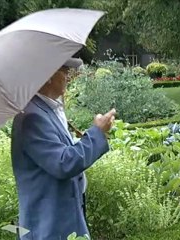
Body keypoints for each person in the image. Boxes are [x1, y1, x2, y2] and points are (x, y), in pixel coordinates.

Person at [11, 58, 115, 240]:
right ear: (48, 75)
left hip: (61, 219)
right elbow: (63, 163)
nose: (68, 76)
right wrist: (96, 133)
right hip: (48, 225)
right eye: (64, 70)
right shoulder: (32, 118)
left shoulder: (45, 110)